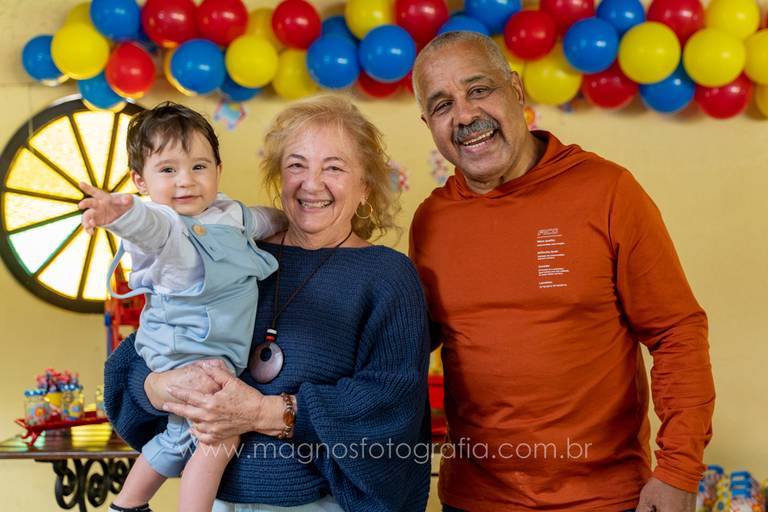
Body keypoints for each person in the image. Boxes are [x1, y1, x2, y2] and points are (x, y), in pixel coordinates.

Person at [409, 32, 715, 511]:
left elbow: (677, 332)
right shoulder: (432, 220)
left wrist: (679, 470)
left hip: (605, 498)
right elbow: (405, 348)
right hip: (474, 498)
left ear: (516, 89)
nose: (465, 115)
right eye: (443, 104)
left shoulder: (608, 191)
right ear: (429, 124)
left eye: (479, 89)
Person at [102, 95, 432, 512]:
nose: (312, 184)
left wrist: (264, 412)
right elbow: (139, 356)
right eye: (296, 165)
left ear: (365, 185)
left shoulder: (387, 275)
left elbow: (391, 403)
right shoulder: (235, 251)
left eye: (334, 167)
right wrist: (159, 388)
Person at [79, 102, 287, 512]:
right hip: (184, 353)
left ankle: (127, 505)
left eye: (199, 166)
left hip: (213, 353)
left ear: (218, 170)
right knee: (218, 436)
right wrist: (119, 215)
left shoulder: (227, 213)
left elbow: (259, 221)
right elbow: (147, 226)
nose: (186, 181)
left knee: (179, 437)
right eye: (168, 170)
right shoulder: (164, 226)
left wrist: (286, 221)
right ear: (140, 180)